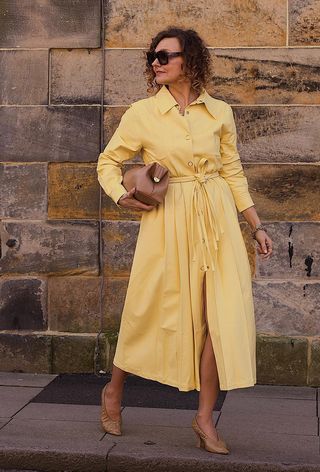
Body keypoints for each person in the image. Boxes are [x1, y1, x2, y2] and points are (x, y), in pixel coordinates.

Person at [96, 27, 273, 454]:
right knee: (146, 307)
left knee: (220, 315)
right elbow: (109, 161)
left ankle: (204, 419)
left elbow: (232, 171)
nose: (156, 62)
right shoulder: (142, 113)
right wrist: (120, 195)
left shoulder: (220, 112)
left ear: (189, 61)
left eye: (165, 56)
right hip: (168, 220)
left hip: (217, 220)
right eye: (153, 57)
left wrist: (255, 223)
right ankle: (113, 393)